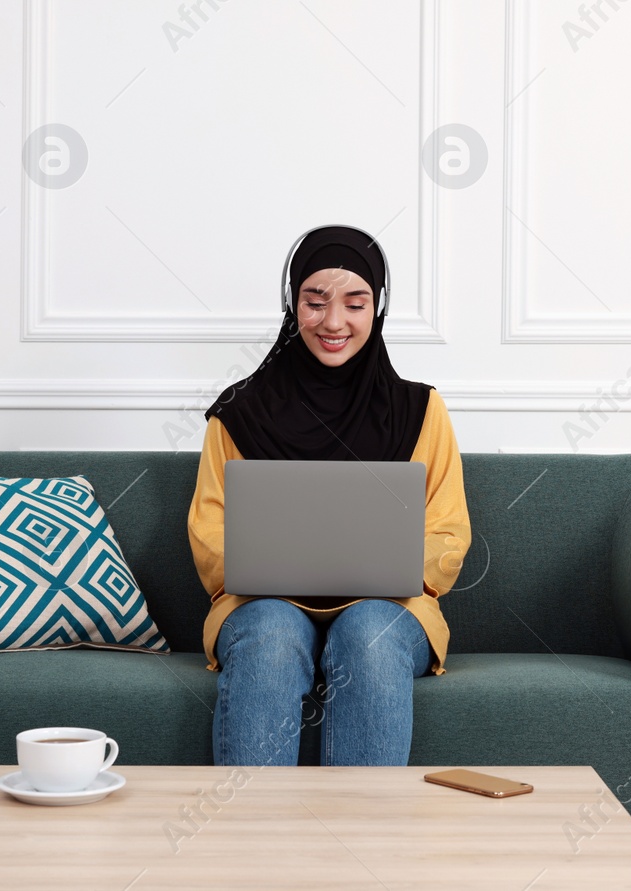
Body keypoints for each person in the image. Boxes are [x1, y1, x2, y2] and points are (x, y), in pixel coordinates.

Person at [186, 224, 471, 767]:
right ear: (293, 307)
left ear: (378, 308)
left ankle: (361, 846)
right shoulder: (239, 413)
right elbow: (209, 528)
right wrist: (264, 567)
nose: (333, 322)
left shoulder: (422, 411)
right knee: (270, 633)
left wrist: (393, 569)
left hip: (391, 606)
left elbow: (449, 531)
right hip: (258, 604)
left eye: (354, 303)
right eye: (315, 302)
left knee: (368, 632)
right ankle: (251, 843)